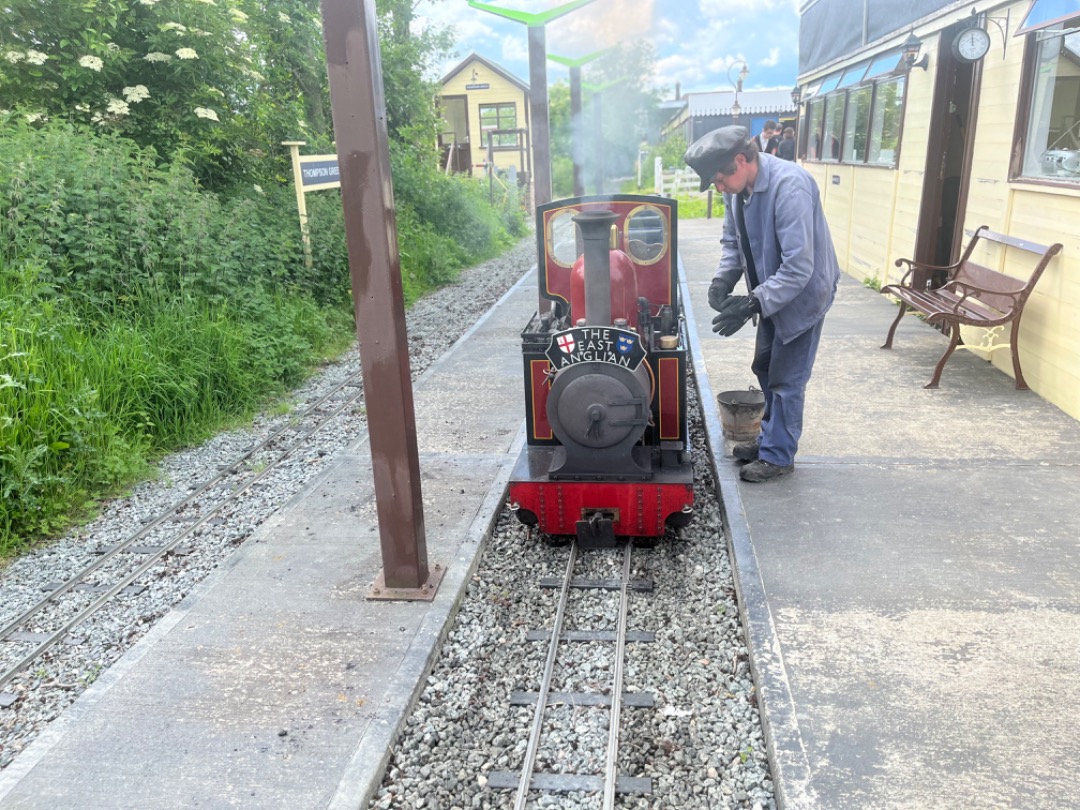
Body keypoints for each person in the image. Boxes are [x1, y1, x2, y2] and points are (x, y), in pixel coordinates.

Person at [684, 125, 840, 482]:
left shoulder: (790, 186)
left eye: (720, 179)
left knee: (787, 378)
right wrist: (723, 280)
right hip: (771, 292)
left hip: (803, 295)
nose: (719, 188)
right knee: (766, 366)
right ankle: (771, 439)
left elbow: (800, 266)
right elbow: (733, 242)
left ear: (741, 160)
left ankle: (778, 456)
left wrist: (753, 303)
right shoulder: (736, 190)